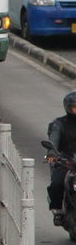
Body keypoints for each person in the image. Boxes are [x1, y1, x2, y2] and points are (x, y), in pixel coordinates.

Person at [49, 91, 76, 225]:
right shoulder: (59, 124)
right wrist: (52, 153)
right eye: (75, 107)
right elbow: (53, 139)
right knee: (56, 184)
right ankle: (58, 211)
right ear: (68, 107)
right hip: (67, 160)